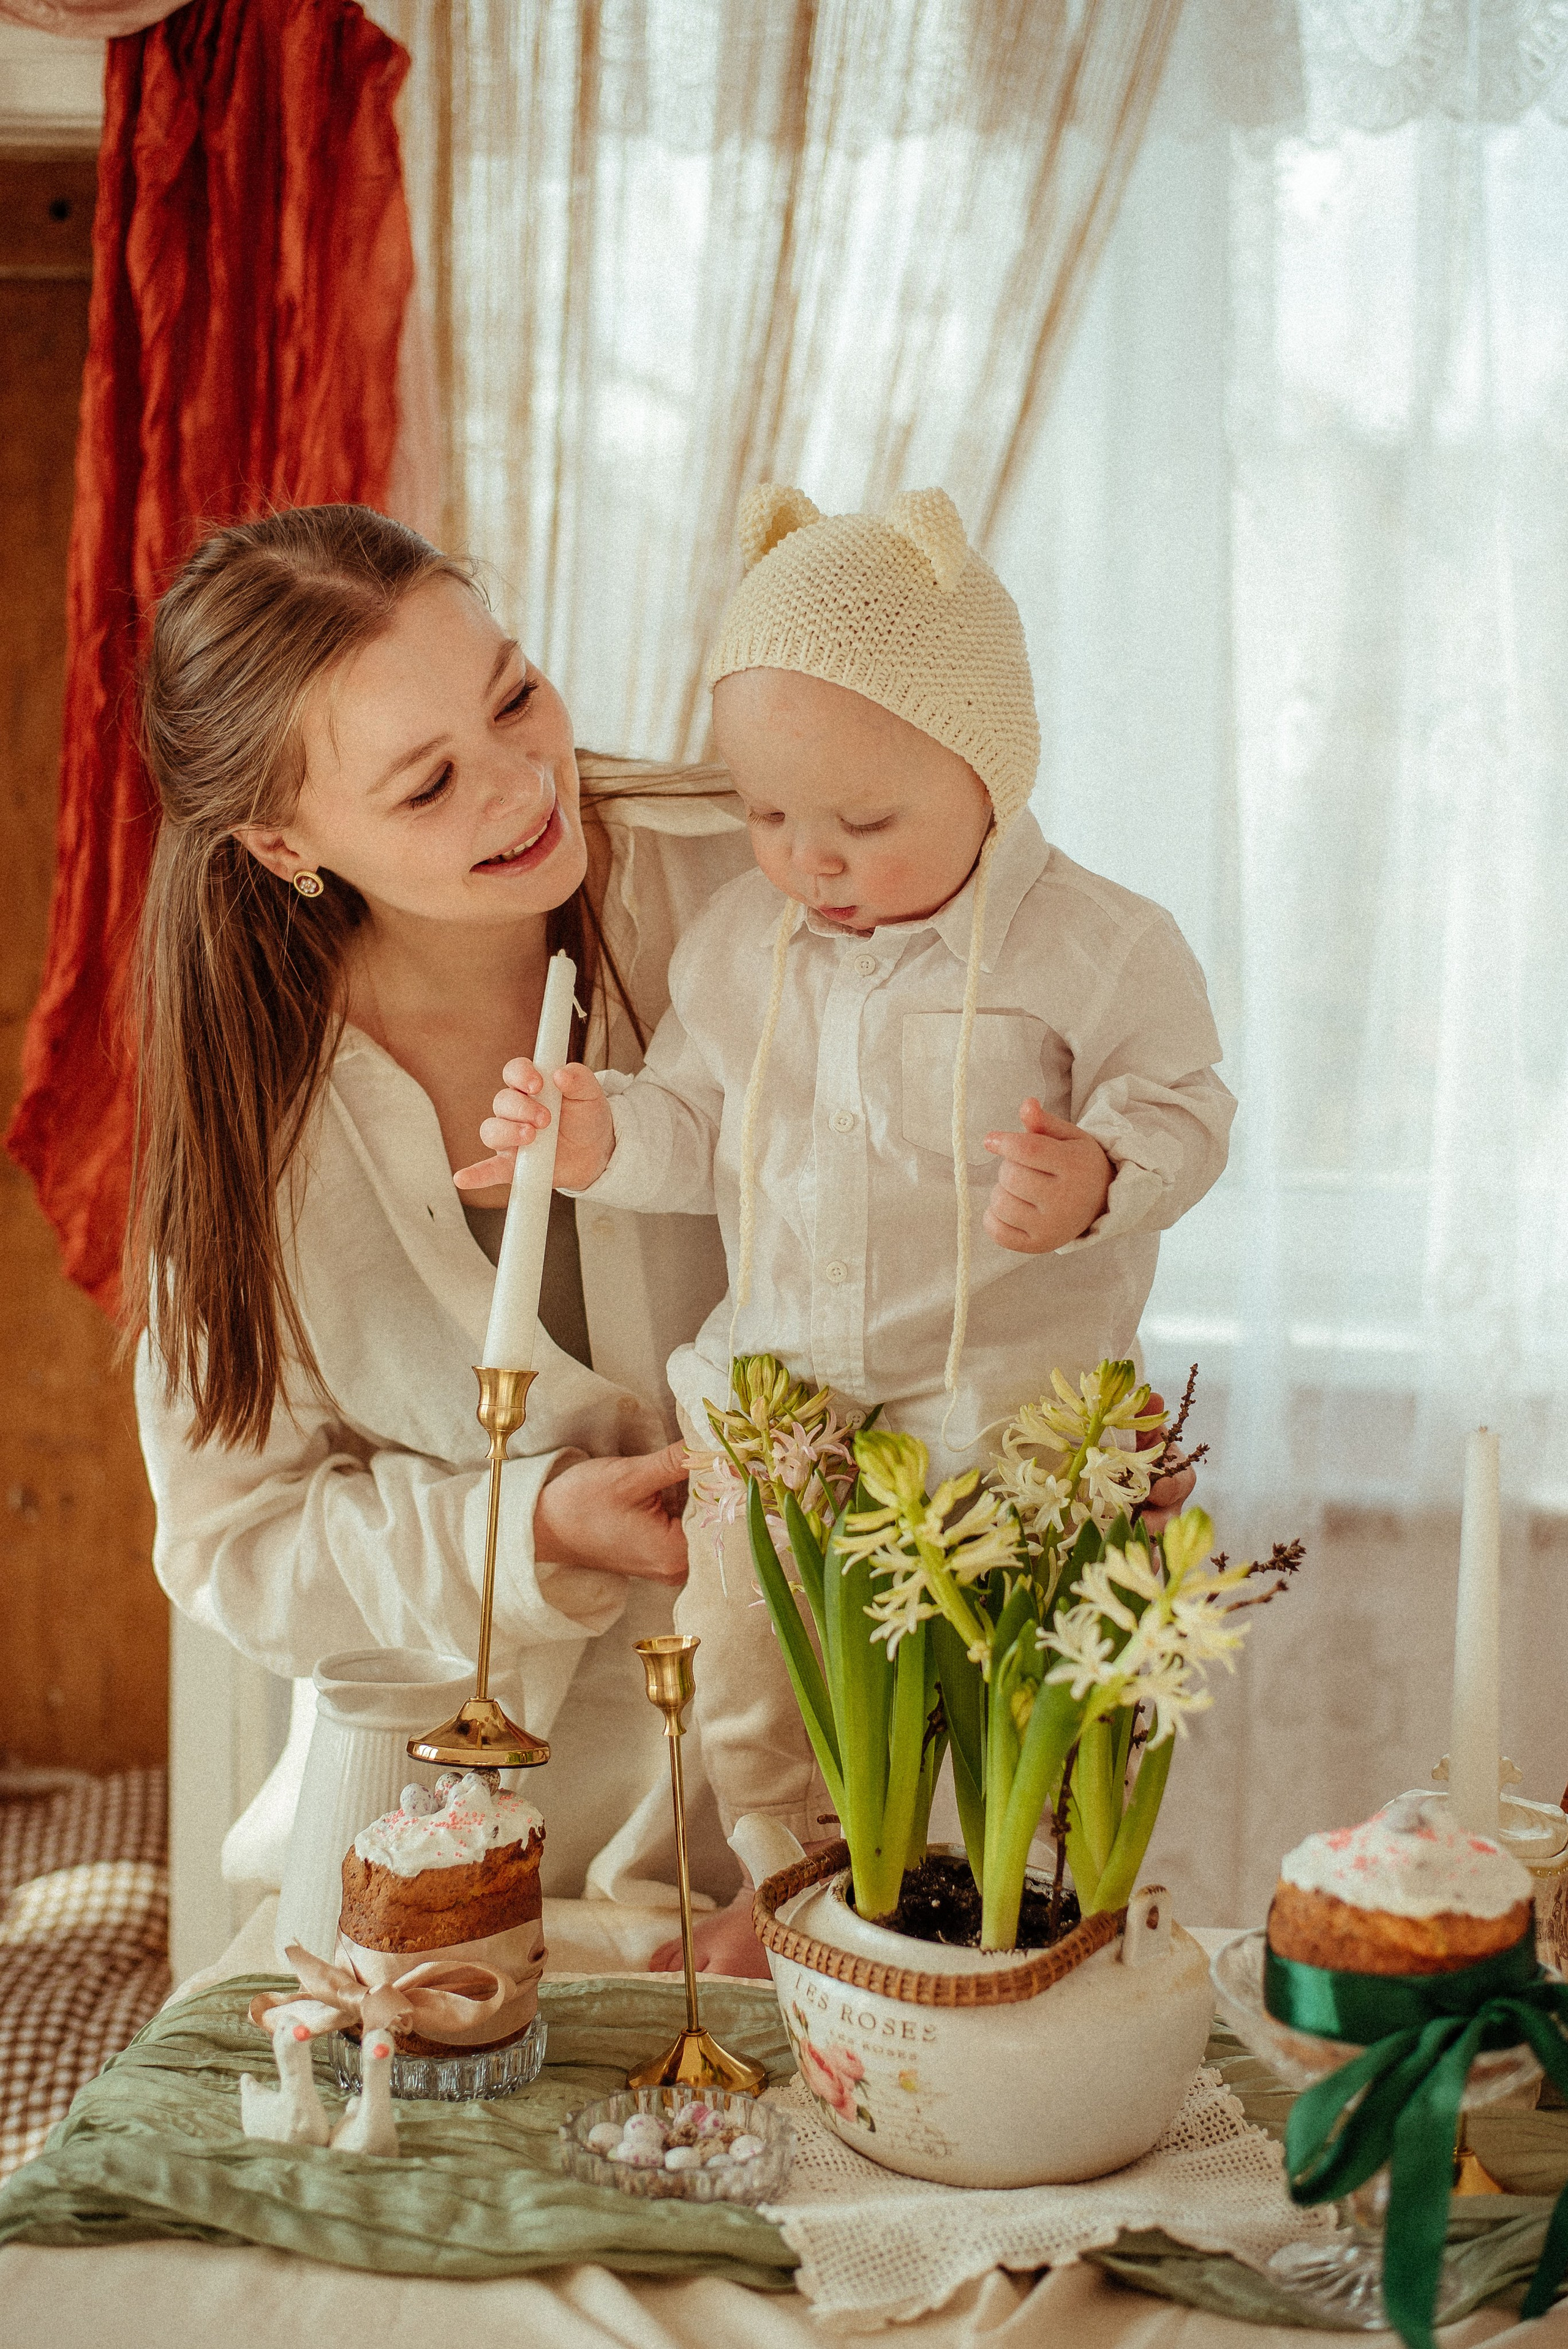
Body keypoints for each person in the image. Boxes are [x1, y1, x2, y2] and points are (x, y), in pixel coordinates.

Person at [465, 486, 1232, 1975]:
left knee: (1030, 1674)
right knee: (757, 1661)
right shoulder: (744, 947)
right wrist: (602, 1135)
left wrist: (1099, 1175)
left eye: (862, 822)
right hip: (783, 1392)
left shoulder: (1098, 945)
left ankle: (1047, 1900)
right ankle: (804, 1878)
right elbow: (699, 1126)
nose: (808, 859)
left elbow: (1186, 1106)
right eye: (765, 817)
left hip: (1005, 1399)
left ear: (989, 775)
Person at [127, 503, 756, 1947]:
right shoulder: (256, 1119)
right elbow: (239, 1539)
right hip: (452, 1882)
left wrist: (828, 1877)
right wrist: (519, 1532)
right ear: (284, 842)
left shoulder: (750, 880)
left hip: (841, 1820)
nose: (525, 783)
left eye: (516, 694)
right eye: (426, 786)